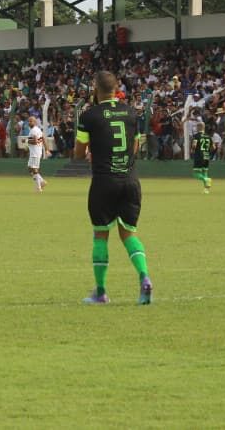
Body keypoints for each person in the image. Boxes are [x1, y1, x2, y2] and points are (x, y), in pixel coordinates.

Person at [74, 71, 152, 305]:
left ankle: (101, 292)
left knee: (101, 235)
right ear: (116, 88)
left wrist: (91, 153)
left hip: (104, 182)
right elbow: (136, 146)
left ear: (96, 88)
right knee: (129, 233)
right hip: (130, 181)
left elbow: (79, 153)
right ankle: (144, 277)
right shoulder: (130, 112)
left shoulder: (89, 115)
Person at [26, 116, 48, 192]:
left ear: (35, 122)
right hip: (35, 152)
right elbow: (43, 139)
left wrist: (26, 141)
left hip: (35, 152)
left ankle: (39, 187)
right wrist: (47, 149)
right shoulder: (37, 130)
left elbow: (35, 141)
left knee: (35, 169)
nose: (29, 123)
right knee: (30, 168)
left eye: (31, 121)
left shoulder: (34, 130)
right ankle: (42, 181)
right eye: (28, 121)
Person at [191, 122, 213, 194]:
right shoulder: (208, 136)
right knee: (205, 172)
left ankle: (205, 179)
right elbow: (213, 147)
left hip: (199, 155)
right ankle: (206, 190)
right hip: (206, 155)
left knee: (196, 173)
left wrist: (192, 150)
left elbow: (194, 145)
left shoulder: (196, 136)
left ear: (198, 128)